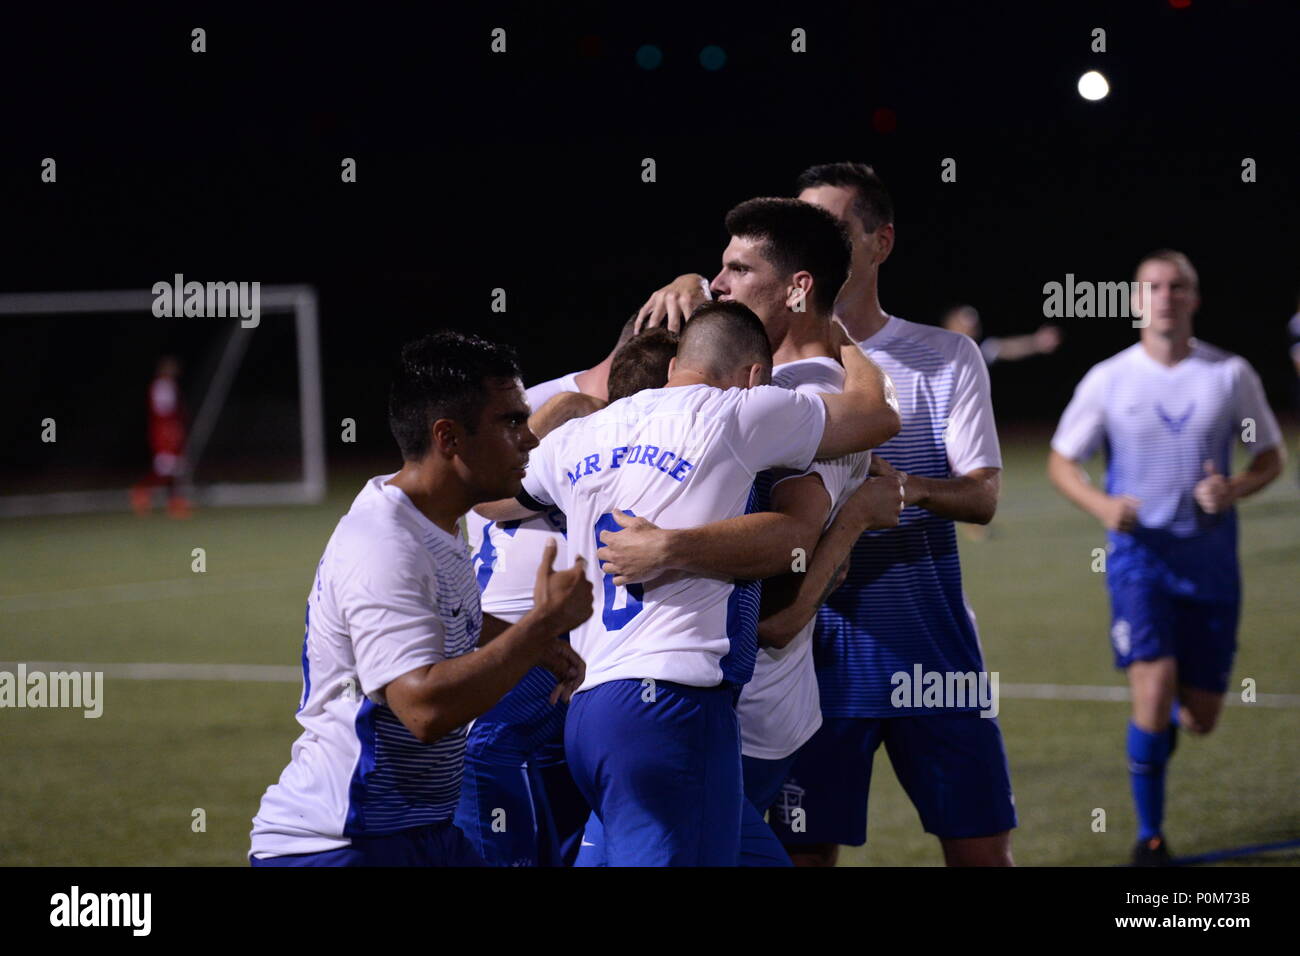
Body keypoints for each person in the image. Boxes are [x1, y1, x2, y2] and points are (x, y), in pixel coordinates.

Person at [634, 162, 1015, 867]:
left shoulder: (942, 356)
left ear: (880, 242)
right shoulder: (753, 378)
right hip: (811, 660)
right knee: (800, 854)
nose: (813, 239)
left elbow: (983, 494)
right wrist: (689, 289)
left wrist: (907, 492)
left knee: (981, 851)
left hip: (931, 653)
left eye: (832, 227)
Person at [478, 301, 898, 865]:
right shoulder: (734, 412)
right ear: (753, 377)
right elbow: (878, 414)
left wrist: (552, 416)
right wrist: (844, 338)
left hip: (590, 710)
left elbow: (483, 495)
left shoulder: (585, 433)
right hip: (669, 708)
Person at [603, 198, 904, 865]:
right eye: (718, 268)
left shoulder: (804, 396)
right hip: (689, 697)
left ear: (798, 287)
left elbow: (783, 610)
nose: (718, 283)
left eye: (738, 269)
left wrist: (850, 521)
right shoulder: (756, 381)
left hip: (728, 705)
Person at [249, 331, 592, 866]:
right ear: (449, 437)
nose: (529, 439)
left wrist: (541, 644)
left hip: (417, 831)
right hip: (340, 842)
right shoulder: (385, 544)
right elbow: (423, 709)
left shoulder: (430, 521)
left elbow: (450, 612)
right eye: (510, 421)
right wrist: (538, 628)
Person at [1047, 250, 1284, 865]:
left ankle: (1169, 726)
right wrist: (1101, 506)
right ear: (1134, 300)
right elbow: (1061, 461)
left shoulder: (1229, 375)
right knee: (1150, 691)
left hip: (1210, 563)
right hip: (1137, 561)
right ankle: (1150, 838)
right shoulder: (1109, 379)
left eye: (1178, 287)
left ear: (1194, 299)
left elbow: (1269, 456)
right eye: (1152, 286)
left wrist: (1233, 489)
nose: (1165, 296)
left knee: (1200, 715)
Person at [455, 329, 677, 866]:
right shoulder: (555, 413)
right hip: (517, 671)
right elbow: (482, 497)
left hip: (571, 668)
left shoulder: (585, 425)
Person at [131, 356, 191, 518]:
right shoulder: (162, 385)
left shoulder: (169, 385)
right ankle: (142, 491)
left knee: (176, 467)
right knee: (166, 467)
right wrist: (170, 430)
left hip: (169, 429)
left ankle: (175, 502)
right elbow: (163, 412)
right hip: (164, 431)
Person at [941, 304, 1061, 366]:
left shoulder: (977, 354)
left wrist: (1036, 342)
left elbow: (1006, 348)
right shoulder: (935, 350)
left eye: (973, 326)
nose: (970, 330)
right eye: (962, 325)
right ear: (949, 325)